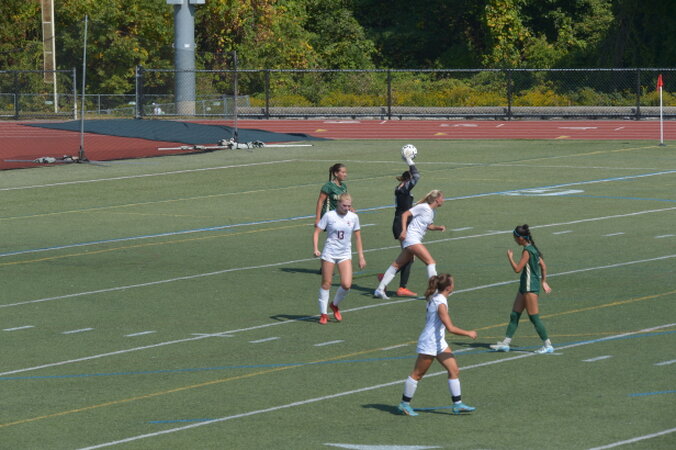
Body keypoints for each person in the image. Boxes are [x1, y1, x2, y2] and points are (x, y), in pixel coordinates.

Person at [397, 274, 477, 416]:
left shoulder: (437, 297)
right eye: (452, 283)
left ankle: (458, 404)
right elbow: (450, 328)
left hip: (439, 341)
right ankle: (404, 404)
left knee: (454, 370)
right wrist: (468, 333)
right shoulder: (440, 303)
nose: (454, 285)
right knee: (417, 374)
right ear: (448, 287)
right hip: (429, 342)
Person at [490, 224, 554, 354]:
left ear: (520, 238)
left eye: (515, 237)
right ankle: (505, 343)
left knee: (534, 317)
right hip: (524, 287)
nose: (514, 240)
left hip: (530, 288)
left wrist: (510, 258)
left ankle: (548, 345)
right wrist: (544, 281)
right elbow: (543, 266)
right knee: (515, 315)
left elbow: (517, 269)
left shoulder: (527, 251)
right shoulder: (533, 249)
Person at [374, 190, 446, 300]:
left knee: (397, 265)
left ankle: (380, 289)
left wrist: (438, 228)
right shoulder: (423, 207)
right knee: (431, 262)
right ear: (437, 200)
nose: (443, 200)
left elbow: (429, 226)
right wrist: (403, 230)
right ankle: (434, 292)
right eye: (442, 198)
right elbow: (405, 214)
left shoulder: (433, 212)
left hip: (413, 240)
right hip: (412, 238)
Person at [313, 193, 366, 324]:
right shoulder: (329, 215)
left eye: (349, 206)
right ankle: (323, 313)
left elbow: (358, 237)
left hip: (344, 254)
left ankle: (334, 304)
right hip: (329, 253)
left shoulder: (353, 217)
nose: (347, 208)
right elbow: (317, 232)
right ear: (338, 203)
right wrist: (316, 248)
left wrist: (361, 256)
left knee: (346, 284)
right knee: (326, 283)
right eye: (344, 206)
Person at [378, 154, 421, 297]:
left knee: (408, 256)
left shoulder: (401, 189)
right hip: (402, 225)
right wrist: (410, 161)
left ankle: (389, 279)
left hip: (401, 223)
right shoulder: (404, 189)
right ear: (408, 180)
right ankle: (401, 287)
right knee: (409, 256)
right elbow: (417, 176)